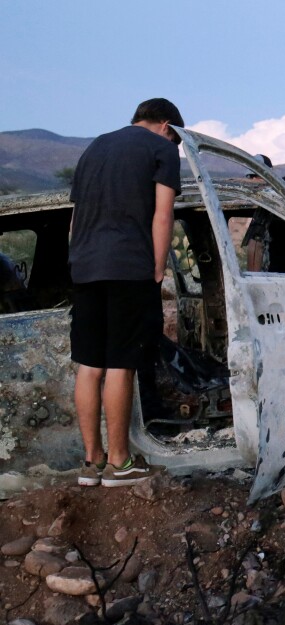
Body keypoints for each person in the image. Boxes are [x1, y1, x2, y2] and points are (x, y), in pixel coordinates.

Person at [68, 98, 184, 487]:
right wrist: (157, 265)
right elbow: (163, 214)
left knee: (89, 365)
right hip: (128, 266)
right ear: (167, 125)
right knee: (121, 363)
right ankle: (120, 463)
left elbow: (75, 216)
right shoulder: (162, 149)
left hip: (85, 266)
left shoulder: (94, 146)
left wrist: (79, 260)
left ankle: (92, 462)